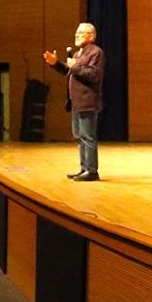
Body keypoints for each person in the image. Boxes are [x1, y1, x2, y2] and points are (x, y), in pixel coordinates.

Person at [43, 22, 104, 182]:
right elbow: (69, 71)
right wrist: (55, 63)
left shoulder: (96, 52)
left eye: (81, 33)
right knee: (79, 136)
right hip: (76, 102)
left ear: (91, 36)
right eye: (76, 32)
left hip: (87, 101)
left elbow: (93, 75)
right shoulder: (78, 54)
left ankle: (91, 171)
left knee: (87, 137)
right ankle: (84, 168)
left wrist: (75, 66)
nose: (76, 35)